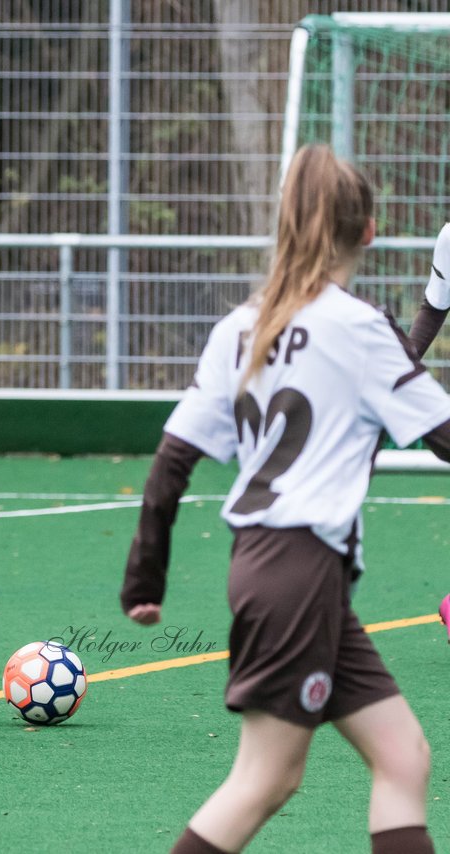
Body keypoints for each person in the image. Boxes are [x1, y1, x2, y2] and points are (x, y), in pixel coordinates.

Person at [120, 145, 450, 854]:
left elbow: (171, 464)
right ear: (368, 232)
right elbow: (445, 437)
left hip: (275, 571)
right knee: (263, 781)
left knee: (402, 758)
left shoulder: (239, 327)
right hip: (299, 573)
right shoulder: (361, 328)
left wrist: (144, 577)